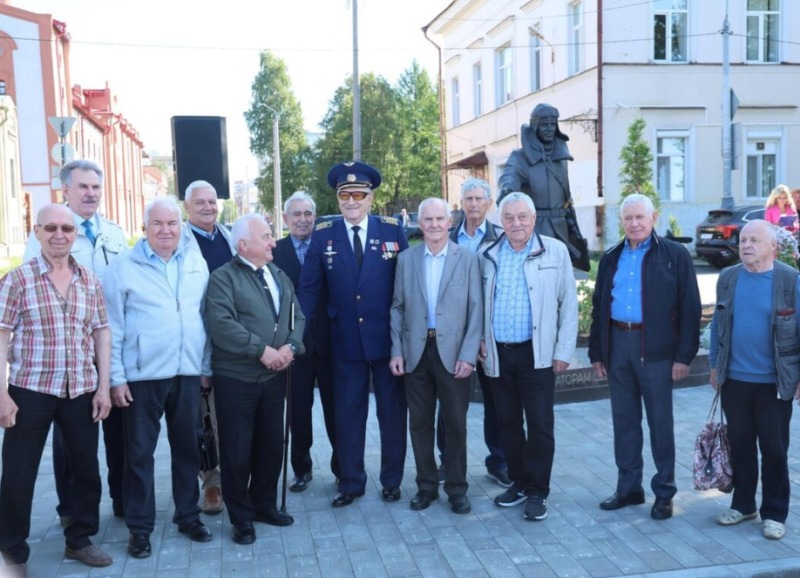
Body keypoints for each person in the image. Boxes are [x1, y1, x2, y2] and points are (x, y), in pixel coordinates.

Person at [0, 203, 113, 573]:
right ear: (37, 233)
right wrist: (1, 394)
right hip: (30, 388)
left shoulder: (89, 281)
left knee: (86, 470)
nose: (59, 235)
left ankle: (79, 540)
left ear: (75, 234)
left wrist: (103, 386)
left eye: (67, 228)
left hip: (81, 388)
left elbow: (101, 333)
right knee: (19, 473)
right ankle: (12, 552)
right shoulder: (18, 280)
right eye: (51, 228)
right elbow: (1, 336)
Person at [103, 197, 213, 559]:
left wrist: (204, 367)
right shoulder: (123, 267)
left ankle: (188, 515)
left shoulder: (196, 262)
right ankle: (140, 528)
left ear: (180, 227)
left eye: (172, 224)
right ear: (145, 228)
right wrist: (116, 379)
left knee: (187, 450)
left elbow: (203, 318)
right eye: (158, 224)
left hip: (185, 372)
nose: (166, 230)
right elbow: (112, 327)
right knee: (139, 455)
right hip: (141, 377)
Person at [297, 160, 409, 508]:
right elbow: (309, 290)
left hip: (386, 342)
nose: (351, 201)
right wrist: (294, 334)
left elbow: (406, 290)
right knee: (347, 415)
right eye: (345, 195)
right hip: (343, 340)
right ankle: (351, 481)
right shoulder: (323, 235)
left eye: (358, 194)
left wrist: (403, 341)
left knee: (391, 415)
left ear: (370, 198)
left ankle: (391, 480)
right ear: (338, 198)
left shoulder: (392, 232)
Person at [23, 159, 128, 527]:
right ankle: (70, 511)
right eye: (82, 187)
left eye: (96, 187)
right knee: (70, 440)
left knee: (119, 428)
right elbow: (30, 294)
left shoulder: (114, 233)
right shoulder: (53, 232)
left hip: (110, 347)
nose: (91, 194)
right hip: (67, 355)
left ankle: (122, 498)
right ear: (65, 191)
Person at [589, 193, 701, 520]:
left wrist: (684, 356)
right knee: (624, 422)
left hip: (656, 351)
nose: (635, 223)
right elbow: (599, 308)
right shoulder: (611, 257)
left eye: (640, 217)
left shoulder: (674, 255)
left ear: (654, 217)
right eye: (628, 218)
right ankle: (629, 487)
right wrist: (597, 351)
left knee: (660, 424)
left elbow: (690, 309)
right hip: (618, 347)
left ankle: (664, 492)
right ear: (621, 222)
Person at [205, 214, 305, 544]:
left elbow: (296, 315)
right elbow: (222, 324)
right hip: (238, 379)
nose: (273, 241)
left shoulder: (278, 274)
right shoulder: (223, 278)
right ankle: (241, 517)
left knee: (270, 445)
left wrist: (291, 346)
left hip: (274, 378)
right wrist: (261, 350)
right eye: (266, 236)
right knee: (237, 450)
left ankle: (264, 505)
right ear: (244, 244)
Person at [480, 192, 578, 522]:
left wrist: (563, 350)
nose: (516, 223)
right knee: (506, 423)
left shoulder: (555, 251)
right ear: (501, 221)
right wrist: (479, 341)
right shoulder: (488, 254)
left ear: (533, 219)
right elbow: (478, 304)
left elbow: (569, 306)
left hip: (537, 356)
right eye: (509, 217)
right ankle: (519, 483)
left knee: (539, 425)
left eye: (522, 217)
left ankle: (538, 491)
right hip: (499, 354)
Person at [389, 198, 482, 514]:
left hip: (454, 353)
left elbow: (475, 311)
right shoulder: (406, 259)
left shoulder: (467, 259)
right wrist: (397, 350)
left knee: (455, 423)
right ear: (420, 223)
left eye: (439, 219)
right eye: (427, 219)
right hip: (416, 352)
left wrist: (469, 355)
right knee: (420, 422)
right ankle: (426, 486)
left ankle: (457, 488)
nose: (433, 225)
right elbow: (398, 307)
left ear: (450, 220)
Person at [709, 219, 800, 540]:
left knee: (774, 449)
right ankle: (744, 504)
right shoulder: (729, 277)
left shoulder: (790, 281)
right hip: (734, 379)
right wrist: (714, 366)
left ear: (773, 246)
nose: (746, 245)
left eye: (754, 241)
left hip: (775, 383)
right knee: (742, 445)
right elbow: (717, 326)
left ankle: (774, 512)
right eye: (743, 240)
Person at [435, 178, 510, 488]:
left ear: (489, 203)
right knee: (450, 404)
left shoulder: (502, 238)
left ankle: (500, 462)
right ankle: (448, 462)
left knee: (498, 402)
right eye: (468, 198)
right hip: (453, 335)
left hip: (490, 335)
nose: (474, 204)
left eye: (480, 198)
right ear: (461, 203)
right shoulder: (447, 238)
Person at [272, 191, 338, 492]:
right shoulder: (275, 250)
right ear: (285, 219)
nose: (302, 219)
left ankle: (343, 468)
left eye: (308, 213)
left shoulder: (330, 245)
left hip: (329, 342)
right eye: (296, 214)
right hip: (293, 346)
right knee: (298, 411)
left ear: (316, 216)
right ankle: (302, 469)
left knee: (336, 409)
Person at [181, 179, 236, 516]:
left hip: (232, 343)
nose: (207, 207)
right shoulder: (182, 242)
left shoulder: (228, 237)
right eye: (199, 202)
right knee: (206, 422)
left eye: (212, 201)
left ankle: (237, 476)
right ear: (186, 207)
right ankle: (212, 484)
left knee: (232, 418)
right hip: (200, 343)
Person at [497, 103, 589, 270]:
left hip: (561, 227)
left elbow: (565, 196)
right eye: (544, 124)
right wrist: (507, 190)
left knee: (563, 273)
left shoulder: (560, 157)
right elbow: (509, 176)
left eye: (552, 125)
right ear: (535, 126)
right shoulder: (520, 157)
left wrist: (572, 227)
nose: (549, 129)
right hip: (536, 227)